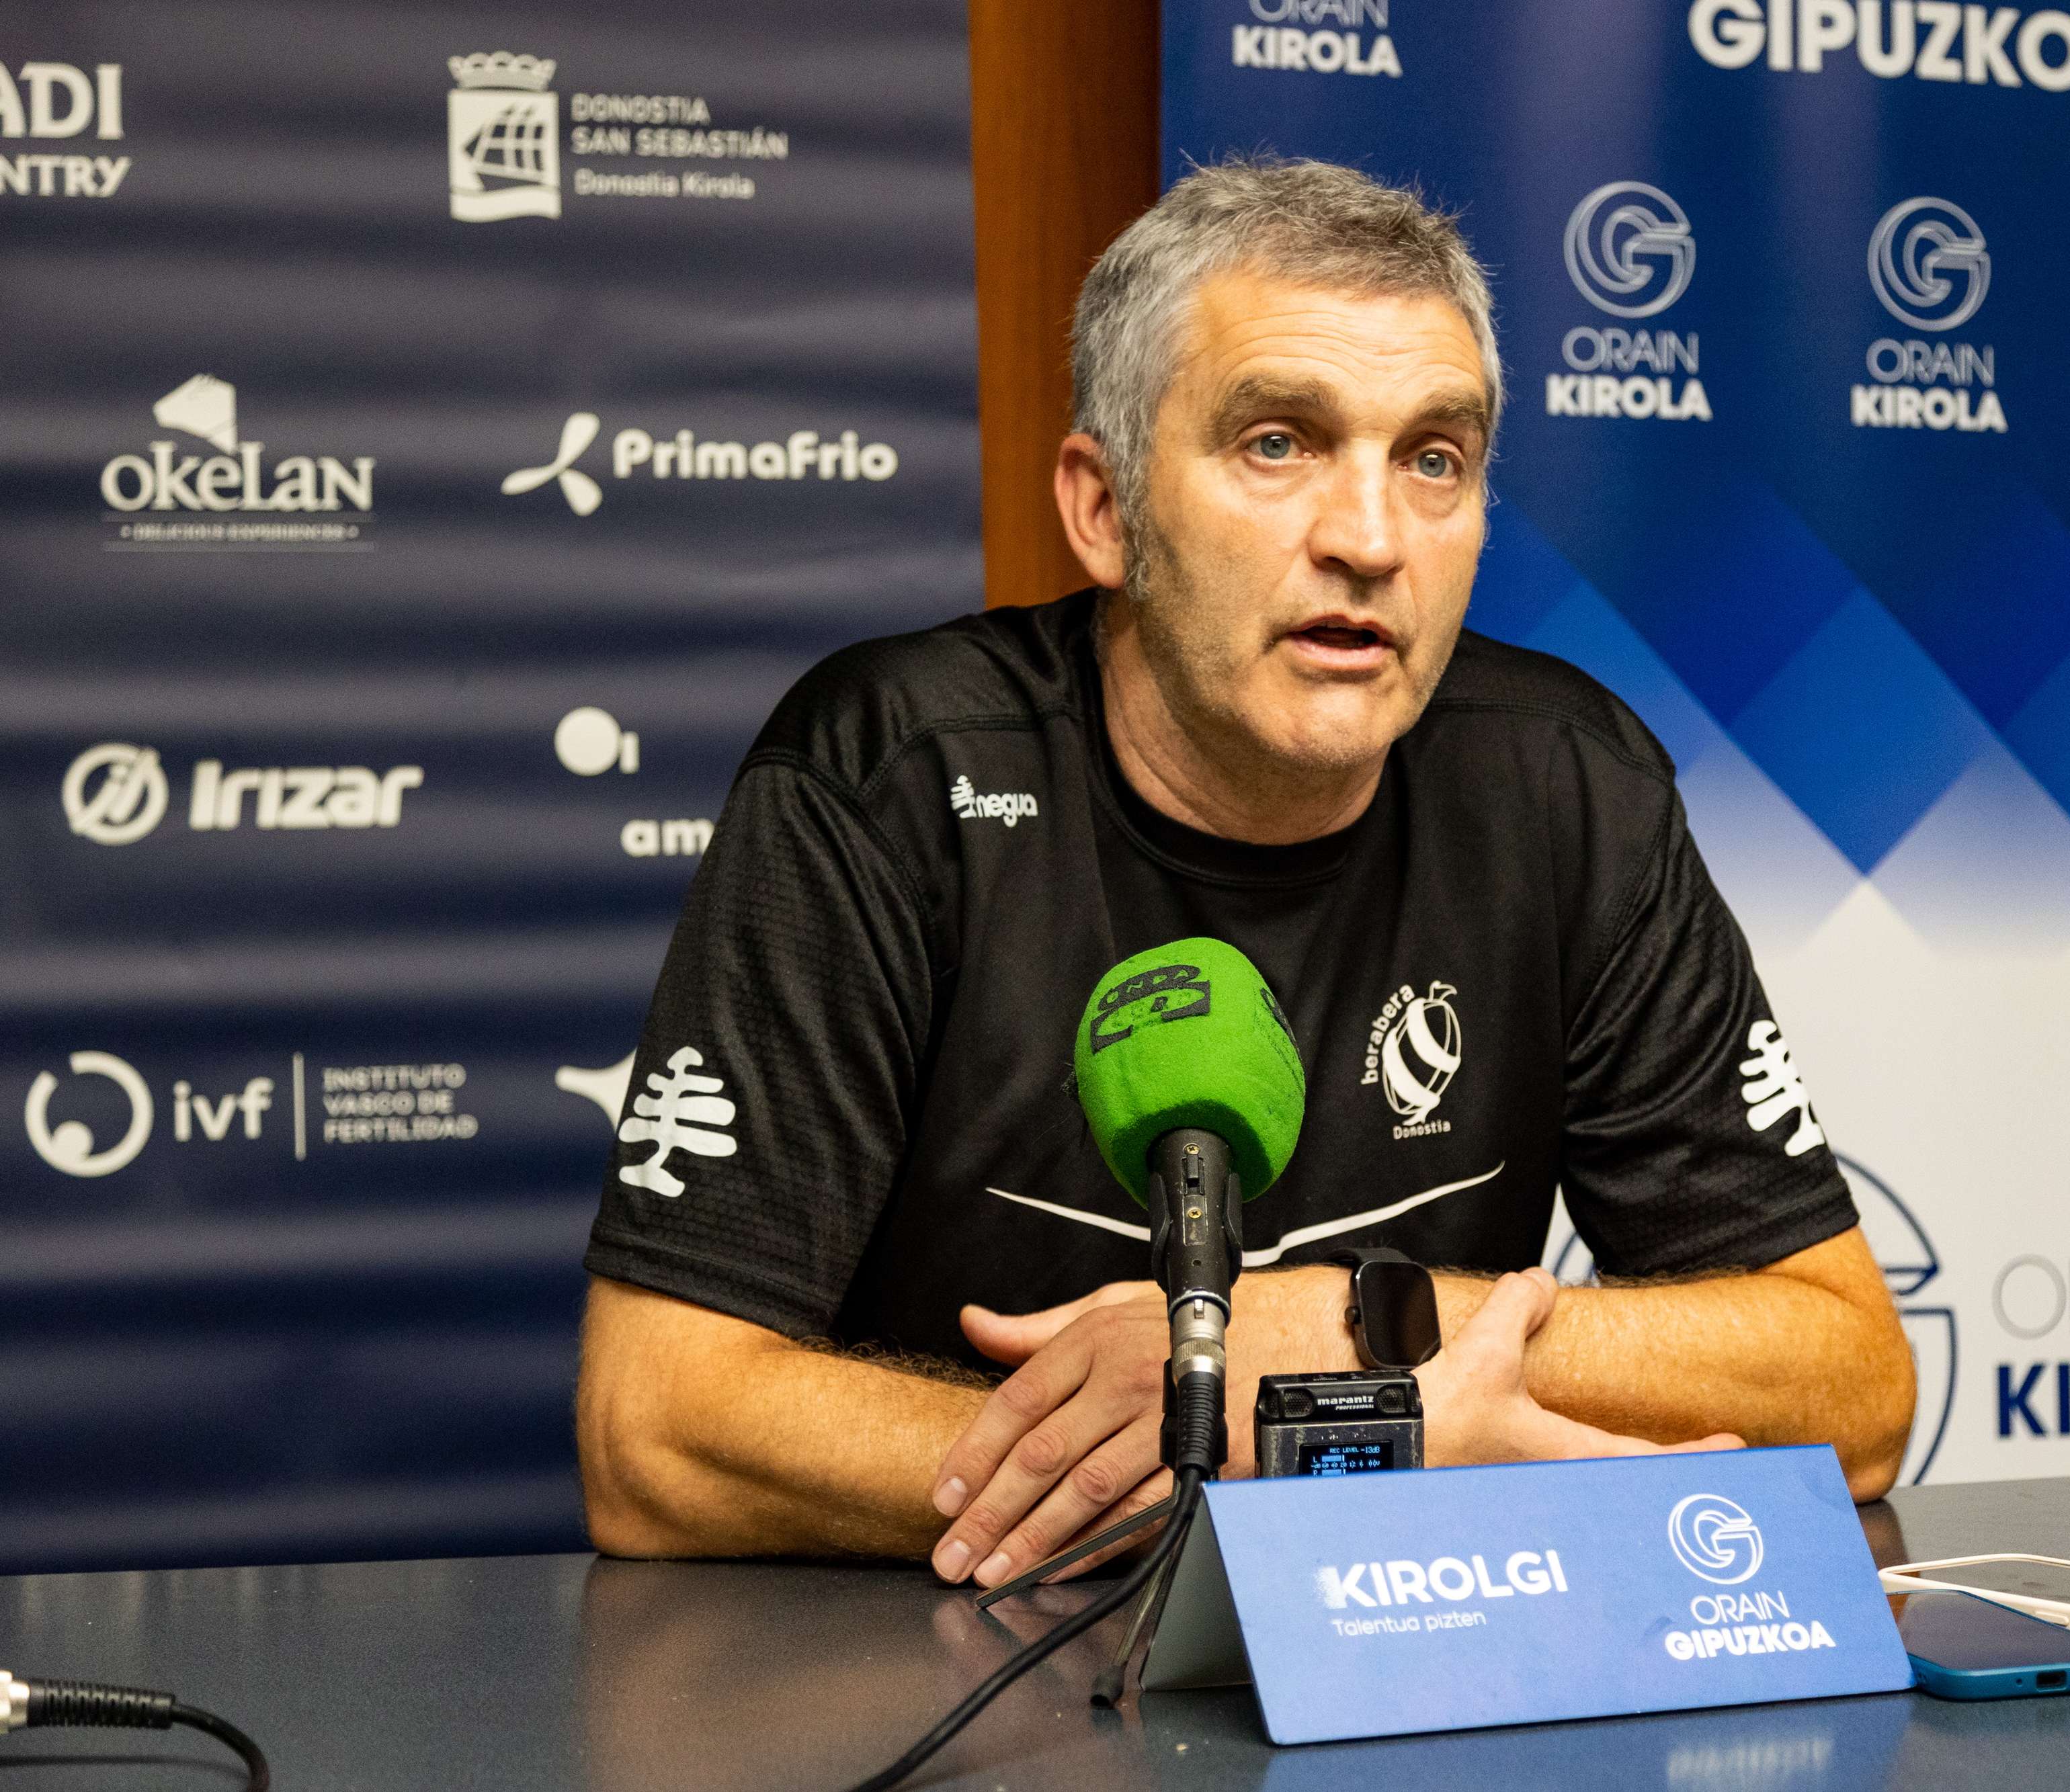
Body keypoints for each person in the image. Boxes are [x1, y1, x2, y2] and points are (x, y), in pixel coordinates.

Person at [575, 157, 1916, 1592]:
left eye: (1433, 458)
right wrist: (1296, 1450)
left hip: (1413, 1671)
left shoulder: (1563, 788)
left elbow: (1850, 1386)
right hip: (975, 1682)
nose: (1368, 538)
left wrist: (1359, 1331)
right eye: (1277, 443)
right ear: (1102, 510)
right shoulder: (891, 776)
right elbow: (657, 1428)